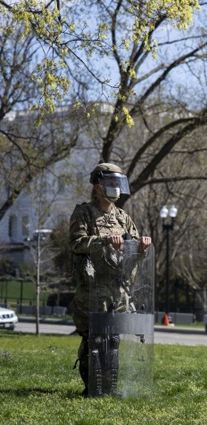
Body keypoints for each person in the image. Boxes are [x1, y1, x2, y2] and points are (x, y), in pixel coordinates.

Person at [69, 163, 151, 396]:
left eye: (118, 183)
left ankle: (110, 389)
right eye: (110, 183)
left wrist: (142, 246)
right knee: (95, 339)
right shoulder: (83, 213)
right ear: (97, 186)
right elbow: (76, 243)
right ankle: (92, 388)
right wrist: (103, 241)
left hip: (118, 288)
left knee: (113, 340)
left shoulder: (123, 217)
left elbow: (133, 249)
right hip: (93, 288)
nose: (115, 188)